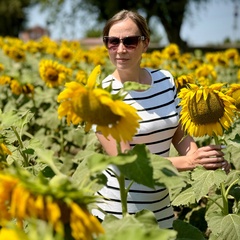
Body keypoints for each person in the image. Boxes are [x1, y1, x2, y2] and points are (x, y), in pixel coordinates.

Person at [92, 9, 230, 229]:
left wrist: (203, 158)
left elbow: (180, 133)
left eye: (129, 41)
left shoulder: (165, 80)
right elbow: (128, 163)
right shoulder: (101, 96)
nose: (120, 49)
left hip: (161, 207)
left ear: (145, 43)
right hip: (121, 212)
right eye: (112, 42)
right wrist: (189, 162)